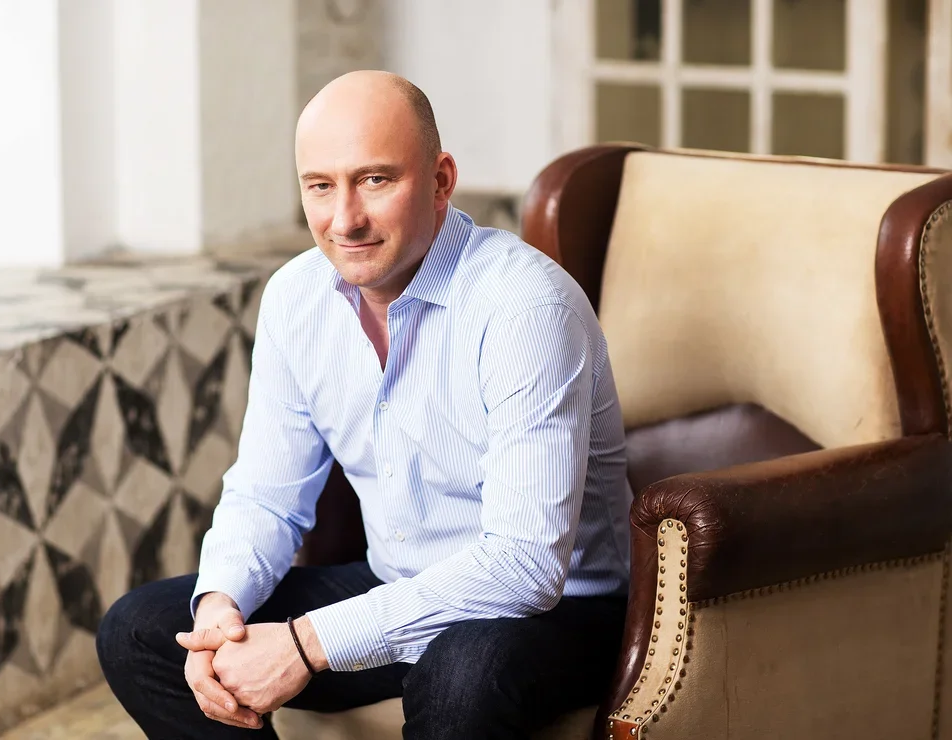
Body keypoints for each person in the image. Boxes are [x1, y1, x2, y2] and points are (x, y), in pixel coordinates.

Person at [95, 70, 632, 739]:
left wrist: (305, 645)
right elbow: (266, 496)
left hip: (559, 614)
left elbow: (525, 567)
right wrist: (219, 612)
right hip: (396, 583)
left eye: (375, 180)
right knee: (140, 631)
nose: (344, 219)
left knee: (462, 670)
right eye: (320, 186)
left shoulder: (525, 305)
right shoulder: (296, 299)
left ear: (440, 180)